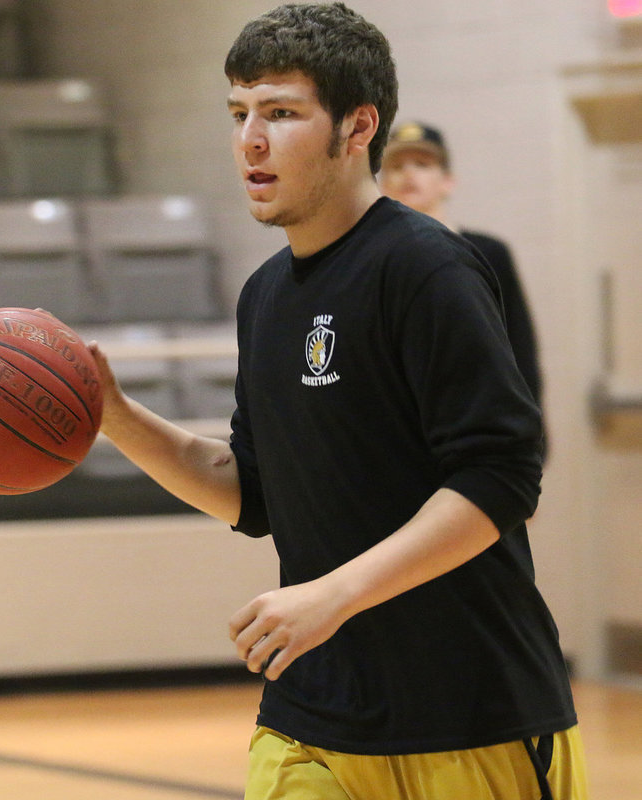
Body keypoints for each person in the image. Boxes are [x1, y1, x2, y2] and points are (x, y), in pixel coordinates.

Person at [88, 3, 586, 798]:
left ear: (357, 128)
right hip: (310, 711)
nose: (250, 139)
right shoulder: (264, 296)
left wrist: (333, 596)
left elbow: (499, 478)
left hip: (466, 713)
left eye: (281, 113)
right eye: (239, 113)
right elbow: (250, 489)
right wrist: (113, 415)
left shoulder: (425, 268)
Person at [379, 121, 544, 415]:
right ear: (382, 185)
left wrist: (531, 427)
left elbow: (519, 346)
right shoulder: (373, 260)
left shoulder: (489, 253)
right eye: (397, 165)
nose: (409, 173)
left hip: (479, 416)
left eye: (422, 164)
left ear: (447, 181)